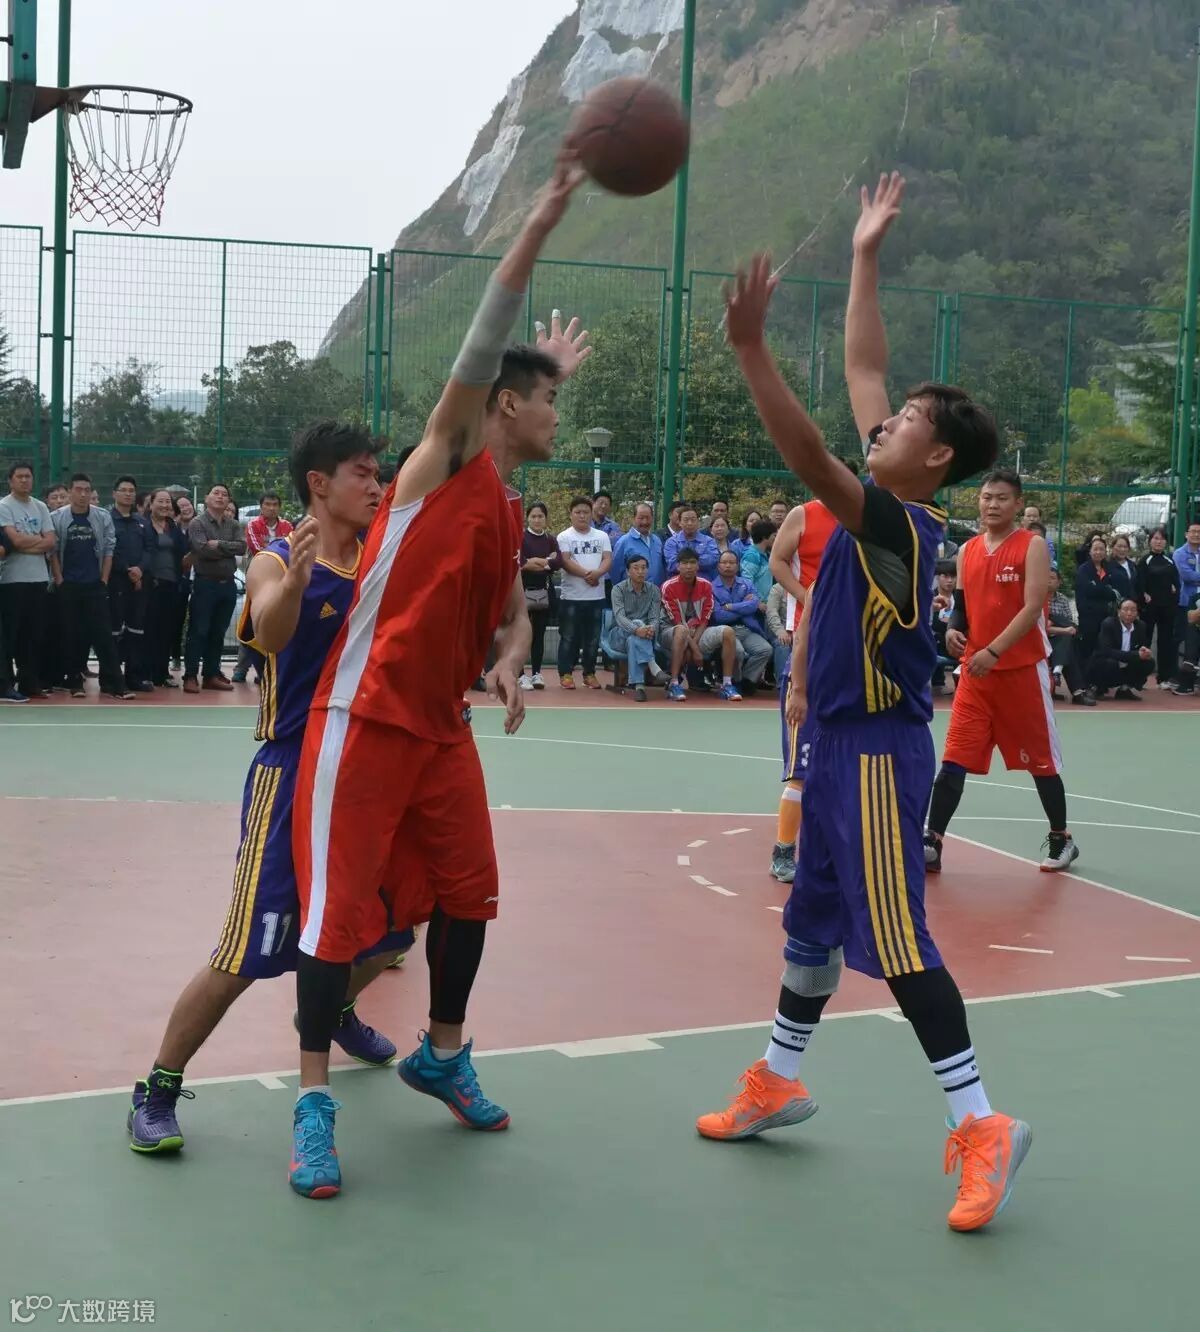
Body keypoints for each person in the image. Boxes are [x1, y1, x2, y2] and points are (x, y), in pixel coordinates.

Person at [697, 175, 1030, 1234]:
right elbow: (863, 368)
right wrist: (864, 254)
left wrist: (751, 351)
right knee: (811, 929)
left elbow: (807, 449)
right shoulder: (894, 497)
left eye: (903, 426)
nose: (880, 425)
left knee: (898, 941)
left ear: (936, 458)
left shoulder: (900, 528)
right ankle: (778, 1078)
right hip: (836, 745)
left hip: (881, 755)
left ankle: (983, 1126)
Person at [287, 153, 586, 1199]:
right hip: (363, 718)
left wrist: (510, 657)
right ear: (503, 405)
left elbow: (512, 611)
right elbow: (479, 344)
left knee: (472, 895)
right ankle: (312, 1105)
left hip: (441, 728)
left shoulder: (504, 503)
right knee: (332, 921)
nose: (558, 419)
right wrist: (537, 227)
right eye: (547, 403)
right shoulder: (445, 459)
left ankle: (443, 1053)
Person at [125, 425, 413, 1155]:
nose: (377, 485)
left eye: (380, 474)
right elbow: (272, 635)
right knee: (246, 949)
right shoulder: (275, 559)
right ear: (319, 483)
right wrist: (294, 585)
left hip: (366, 774)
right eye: (362, 473)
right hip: (291, 776)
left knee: (400, 923)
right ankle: (157, 1087)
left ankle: (333, 1009)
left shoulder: (380, 556)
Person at [924, 469, 1077, 874]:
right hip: (976, 674)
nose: (992, 504)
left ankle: (1061, 838)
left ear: (1018, 504)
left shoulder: (1032, 545)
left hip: (1021, 672)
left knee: (1041, 762)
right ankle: (933, 840)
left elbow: (1032, 608)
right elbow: (961, 605)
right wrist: (954, 629)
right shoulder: (967, 550)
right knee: (954, 758)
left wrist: (994, 650)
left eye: (1002, 498)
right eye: (987, 497)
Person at [764, 497, 838, 882]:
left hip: (848, 665)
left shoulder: (867, 519)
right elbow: (777, 561)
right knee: (801, 769)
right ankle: (783, 849)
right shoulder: (805, 515)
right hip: (807, 659)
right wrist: (803, 593)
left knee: (842, 767)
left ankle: (830, 849)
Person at [49, 474, 133, 700]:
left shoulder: (102, 516)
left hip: (95, 584)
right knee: (71, 634)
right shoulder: (56, 517)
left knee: (103, 635)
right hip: (68, 585)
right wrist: (59, 580)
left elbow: (108, 550)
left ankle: (116, 684)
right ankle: (74, 681)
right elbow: (53, 552)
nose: (83, 494)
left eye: (87, 490)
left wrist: (103, 580)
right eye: (78, 489)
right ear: (70, 492)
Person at [0, 461, 55, 700]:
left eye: (28, 476)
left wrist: (27, 543)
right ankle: (5, 685)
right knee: (10, 635)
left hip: (39, 579)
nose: (24, 480)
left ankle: (29, 683)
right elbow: (14, 541)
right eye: (19, 476)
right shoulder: (4, 506)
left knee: (33, 635)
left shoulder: (40, 506)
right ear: (10, 481)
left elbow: (51, 541)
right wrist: (36, 542)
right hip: (12, 581)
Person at [184, 484, 245, 693]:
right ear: (207, 498)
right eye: (216, 493)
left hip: (227, 585)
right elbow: (201, 549)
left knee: (218, 632)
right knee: (198, 631)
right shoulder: (197, 523)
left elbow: (242, 547)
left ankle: (210, 675)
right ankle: (190, 675)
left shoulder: (234, 524)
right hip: (205, 584)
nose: (220, 497)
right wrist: (227, 548)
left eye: (224, 494)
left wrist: (217, 544)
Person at [658, 548, 741, 700]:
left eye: (692, 563)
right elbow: (676, 620)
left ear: (698, 566)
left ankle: (727, 684)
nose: (688, 567)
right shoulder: (668, 586)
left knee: (728, 632)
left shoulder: (706, 586)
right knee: (681, 630)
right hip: (671, 632)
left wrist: (694, 645)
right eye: (684, 563)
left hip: (698, 633)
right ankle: (674, 684)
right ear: (678, 566)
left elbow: (705, 619)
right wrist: (695, 650)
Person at [233, 493, 294, 684]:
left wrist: (272, 548)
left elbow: (292, 550)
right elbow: (258, 549)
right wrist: (278, 549)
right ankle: (241, 669)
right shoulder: (253, 525)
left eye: (275, 504)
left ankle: (268, 672)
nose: (271, 508)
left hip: (283, 581)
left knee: (279, 625)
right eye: (268, 504)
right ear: (261, 507)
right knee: (252, 623)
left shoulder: (287, 526)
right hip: (259, 582)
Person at [556, 495, 611, 689]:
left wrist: (598, 573)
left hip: (596, 597)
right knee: (569, 637)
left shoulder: (601, 536)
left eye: (586, 512)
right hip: (571, 597)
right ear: (570, 514)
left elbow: (607, 559)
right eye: (578, 512)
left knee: (593, 638)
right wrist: (588, 575)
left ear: (591, 513)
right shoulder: (564, 537)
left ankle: (589, 673)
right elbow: (565, 561)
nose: (582, 516)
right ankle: (566, 673)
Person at [143, 489, 190, 688]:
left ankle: (162, 673)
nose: (165, 505)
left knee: (166, 630)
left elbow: (184, 552)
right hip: (150, 585)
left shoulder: (173, 527)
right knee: (149, 630)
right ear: (151, 504)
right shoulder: (143, 525)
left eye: (168, 502)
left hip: (172, 585)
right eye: (160, 501)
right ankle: (145, 672)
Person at [711, 549, 772, 691]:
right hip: (725, 630)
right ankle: (732, 681)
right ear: (718, 566)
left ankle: (746, 681)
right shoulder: (711, 587)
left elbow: (754, 604)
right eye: (724, 562)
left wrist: (731, 607)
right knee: (737, 651)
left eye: (731, 563)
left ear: (737, 566)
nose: (728, 566)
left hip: (747, 628)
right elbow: (718, 615)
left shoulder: (747, 584)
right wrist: (744, 607)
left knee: (765, 649)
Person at [610, 553, 665, 701]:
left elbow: (654, 617)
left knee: (634, 640)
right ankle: (653, 666)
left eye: (644, 568)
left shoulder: (654, 590)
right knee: (637, 624)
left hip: (644, 636)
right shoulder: (618, 589)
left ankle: (639, 687)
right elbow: (620, 617)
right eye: (636, 568)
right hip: (620, 634)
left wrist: (651, 628)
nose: (640, 571)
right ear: (628, 571)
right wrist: (637, 629)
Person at [518, 500, 559, 691]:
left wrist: (535, 561)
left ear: (546, 519)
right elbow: (521, 563)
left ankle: (536, 673)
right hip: (522, 591)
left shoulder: (550, 539)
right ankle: (520, 674)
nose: (537, 520)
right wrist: (544, 561)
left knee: (539, 634)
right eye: (533, 516)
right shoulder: (520, 538)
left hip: (544, 592)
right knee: (521, 635)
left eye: (540, 516)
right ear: (527, 518)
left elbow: (557, 562)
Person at [1045, 566, 1095, 706]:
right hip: (1039, 640)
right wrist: (1060, 627)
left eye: (1052, 578)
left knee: (1068, 638)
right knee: (1068, 642)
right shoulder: (1036, 597)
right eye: (1046, 578)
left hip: (1058, 638)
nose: (1048, 581)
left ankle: (1058, 671)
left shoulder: (1063, 599)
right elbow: (1040, 627)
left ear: (1059, 582)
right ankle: (1077, 692)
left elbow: (1070, 623)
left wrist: (1053, 622)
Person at [1136, 527, 1179, 688]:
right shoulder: (1145, 560)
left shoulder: (1170, 560)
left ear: (1166, 542)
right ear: (1150, 541)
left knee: (1166, 642)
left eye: (1161, 539)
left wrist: (1174, 589)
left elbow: (1176, 582)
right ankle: (1139, 678)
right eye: (1155, 538)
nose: (1158, 541)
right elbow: (1139, 583)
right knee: (1145, 640)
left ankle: (1164, 678)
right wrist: (1144, 595)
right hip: (1149, 608)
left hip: (1167, 607)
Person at [1089, 599, 1153, 699]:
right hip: (1106, 661)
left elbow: (1141, 647)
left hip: (1127, 662)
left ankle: (1124, 688)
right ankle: (1098, 687)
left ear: (1137, 613)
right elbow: (1107, 651)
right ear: (1119, 612)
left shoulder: (1141, 626)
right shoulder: (1109, 623)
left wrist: (1145, 652)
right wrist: (1136, 655)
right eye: (1126, 609)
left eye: (1133, 610)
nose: (1129, 613)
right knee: (1110, 663)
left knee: (1149, 662)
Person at [1075, 535, 1121, 669]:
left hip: (1106, 616)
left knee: (1104, 650)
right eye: (1095, 549)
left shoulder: (1109, 569)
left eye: (1101, 549)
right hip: (1088, 617)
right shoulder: (1083, 569)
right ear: (1090, 551)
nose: (1098, 552)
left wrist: (1102, 590)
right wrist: (1107, 591)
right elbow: (1089, 590)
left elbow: (1115, 592)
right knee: (1088, 650)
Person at [610, 502, 665, 588]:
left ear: (652, 518)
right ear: (633, 519)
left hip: (656, 592)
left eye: (648, 518)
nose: (645, 522)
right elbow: (615, 572)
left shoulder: (657, 540)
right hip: (632, 593)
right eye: (641, 518)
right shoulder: (624, 542)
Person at [664, 505, 719, 579]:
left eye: (693, 520)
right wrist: (697, 559)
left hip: (704, 583)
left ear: (698, 522)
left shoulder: (709, 541)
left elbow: (713, 561)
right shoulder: (672, 542)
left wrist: (683, 560)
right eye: (686, 520)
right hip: (678, 583)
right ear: (679, 522)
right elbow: (672, 565)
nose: (689, 523)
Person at [1173, 521, 1200, 667]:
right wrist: (1194, 578)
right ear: (1186, 534)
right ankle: (1180, 671)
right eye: (1193, 531)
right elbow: (1186, 576)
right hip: (1186, 601)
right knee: (1184, 636)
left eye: (1199, 532)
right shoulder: (1179, 553)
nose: (1196, 534)